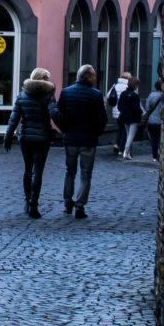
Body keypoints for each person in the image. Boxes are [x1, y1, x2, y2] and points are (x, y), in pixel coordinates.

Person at [53, 63, 108, 218]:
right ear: (87, 77)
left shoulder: (66, 92)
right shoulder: (95, 94)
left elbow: (58, 114)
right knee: (86, 174)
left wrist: (65, 129)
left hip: (71, 139)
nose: (95, 78)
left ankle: (67, 202)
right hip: (88, 140)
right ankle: (80, 205)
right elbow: (102, 119)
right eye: (93, 75)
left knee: (69, 172)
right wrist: (96, 132)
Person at [3, 66, 57, 217]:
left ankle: (27, 201)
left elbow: (14, 117)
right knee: (37, 171)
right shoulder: (48, 96)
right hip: (42, 138)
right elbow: (54, 113)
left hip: (26, 137)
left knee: (28, 169)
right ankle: (34, 204)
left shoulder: (22, 96)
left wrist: (8, 135)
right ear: (43, 80)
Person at [114, 73, 143, 158]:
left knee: (127, 134)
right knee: (131, 136)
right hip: (133, 118)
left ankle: (128, 153)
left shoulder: (123, 94)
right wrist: (141, 113)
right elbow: (136, 108)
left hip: (125, 117)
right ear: (135, 85)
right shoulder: (135, 95)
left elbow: (119, 106)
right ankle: (126, 152)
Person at [141, 82, 164, 163]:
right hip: (161, 120)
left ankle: (154, 156)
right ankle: (160, 153)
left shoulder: (151, 95)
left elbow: (147, 107)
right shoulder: (163, 95)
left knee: (154, 139)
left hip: (152, 120)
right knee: (161, 138)